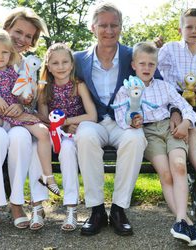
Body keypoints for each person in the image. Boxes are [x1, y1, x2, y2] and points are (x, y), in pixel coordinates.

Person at [74, 2, 161, 236]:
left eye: (114, 25)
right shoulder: (78, 59)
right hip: (93, 120)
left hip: (125, 121)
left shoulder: (132, 54)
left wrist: (174, 112)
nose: (109, 30)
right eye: (103, 25)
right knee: (84, 136)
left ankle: (119, 209)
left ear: (121, 27)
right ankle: (96, 210)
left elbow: (158, 82)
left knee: (135, 139)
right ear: (93, 28)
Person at [113, 42, 196, 246]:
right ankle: (185, 221)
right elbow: (121, 116)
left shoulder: (164, 87)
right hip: (147, 132)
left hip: (170, 129)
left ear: (156, 66)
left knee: (179, 166)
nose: (147, 68)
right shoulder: (126, 90)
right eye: (142, 63)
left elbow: (186, 106)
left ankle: (181, 220)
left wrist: (186, 122)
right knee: (165, 174)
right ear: (134, 65)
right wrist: (132, 120)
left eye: (151, 64)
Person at [0, 7, 49, 232]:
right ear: (6, 29)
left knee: (22, 137)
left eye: (29, 36)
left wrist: (21, 104)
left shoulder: (26, 64)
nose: (22, 39)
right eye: (18, 31)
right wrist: (1, 110)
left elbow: (28, 102)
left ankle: (16, 202)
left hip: (15, 121)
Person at [0, 28, 59, 198]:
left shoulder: (13, 71)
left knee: (43, 131)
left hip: (13, 112)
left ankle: (47, 176)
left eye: (4, 52)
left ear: (10, 54)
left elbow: (17, 93)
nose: (0, 56)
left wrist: (25, 100)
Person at [158, 8, 196, 223]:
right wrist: (154, 47)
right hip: (175, 99)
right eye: (189, 26)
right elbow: (155, 72)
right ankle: (191, 192)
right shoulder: (170, 49)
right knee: (186, 138)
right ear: (180, 29)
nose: (194, 31)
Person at [37, 43, 97, 231]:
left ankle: (71, 208)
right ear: (47, 65)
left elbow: (92, 116)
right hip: (52, 135)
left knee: (68, 148)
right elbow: (44, 118)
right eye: (55, 63)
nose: (61, 66)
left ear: (72, 64)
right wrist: (57, 126)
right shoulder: (44, 88)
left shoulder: (78, 85)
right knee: (36, 145)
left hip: (73, 134)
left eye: (65, 62)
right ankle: (37, 207)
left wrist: (66, 121)